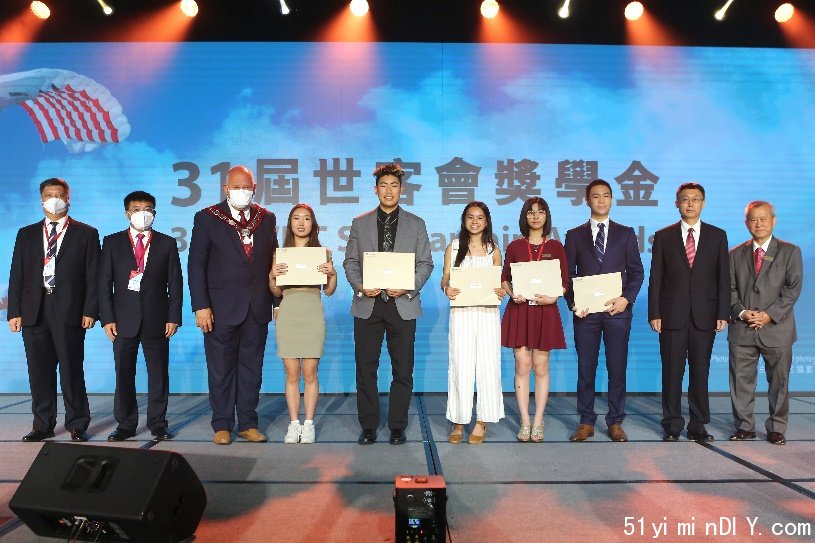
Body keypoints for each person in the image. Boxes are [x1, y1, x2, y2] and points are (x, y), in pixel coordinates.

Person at [343, 162, 434, 445]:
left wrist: (407, 285)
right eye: (383, 185)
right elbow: (351, 261)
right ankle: (368, 425)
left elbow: (425, 263)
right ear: (375, 189)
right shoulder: (360, 222)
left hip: (402, 302)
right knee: (366, 368)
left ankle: (397, 425)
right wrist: (360, 286)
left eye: (394, 185)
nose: (389, 190)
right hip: (368, 303)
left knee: (402, 369)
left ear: (402, 189)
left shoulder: (416, 223)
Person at [188, 165, 278, 445]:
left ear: (255, 188)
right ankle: (222, 424)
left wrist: (276, 300)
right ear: (226, 189)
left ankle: (248, 423)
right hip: (220, 307)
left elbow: (272, 261)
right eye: (236, 187)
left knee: (252, 369)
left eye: (246, 186)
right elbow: (196, 265)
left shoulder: (266, 218)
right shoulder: (207, 218)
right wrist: (200, 305)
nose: (242, 191)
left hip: (257, 306)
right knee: (221, 368)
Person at [7, 177, 98, 442]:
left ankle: (77, 424)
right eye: (49, 194)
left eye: (60, 194)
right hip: (34, 309)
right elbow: (17, 275)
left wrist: (91, 310)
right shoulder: (26, 233)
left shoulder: (86, 233)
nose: (54, 199)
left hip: (70, 309)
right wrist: (15, 311)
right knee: (39, 370)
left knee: (71, 369)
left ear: (68, 198)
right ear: (41, 199)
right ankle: (42, 424)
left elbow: (93, 275)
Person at [98, 191, 182, 442]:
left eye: (148, 209)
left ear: (154, 213)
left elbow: (175, 283)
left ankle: (158, 422)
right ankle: (125, 424)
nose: (142, 214)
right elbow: (104, 283)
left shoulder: (167, 243)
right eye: (137, 209)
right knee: (124, 373)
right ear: (127, 214)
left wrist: (173, 316)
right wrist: (107, 318)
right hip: (122, 320)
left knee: (158, 373)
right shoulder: (112, 242)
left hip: (157, 319)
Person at [648, 182, 729, 443]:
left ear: (703, 203)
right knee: (672, 371)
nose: (690, 203)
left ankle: (697, 424)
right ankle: (672, 425)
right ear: (677, 204)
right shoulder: (663, 236)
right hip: (671, 315)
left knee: (700, 372)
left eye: (696, 199)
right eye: (685, 199)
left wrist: (722, 312)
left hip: (705, 315)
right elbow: (656, 278)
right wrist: (654, 313)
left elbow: (722, 278)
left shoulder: (718, 236)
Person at [564, 179, 644, 442]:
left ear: (612, 200)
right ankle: (586, 420)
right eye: (595, 196)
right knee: (586, 367)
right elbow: (567, 276)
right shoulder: (574, 235)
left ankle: (615, 420)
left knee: (616, 367)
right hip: (586, 314)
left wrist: (626, 299)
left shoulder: (626, 233)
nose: (601, 200)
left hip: (617, 313)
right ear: (587, 200)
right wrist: (573, 303)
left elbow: (637, 272)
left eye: (606, 196)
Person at [728, 201, 802, 445]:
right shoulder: (735, 254)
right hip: (743, 328)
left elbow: (792, 289)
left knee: (779, 383)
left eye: (763, 219)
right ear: (746, 222)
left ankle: (776, 428)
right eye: (753, 219)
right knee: (740, 381)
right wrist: (741, 312)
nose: (758, 224)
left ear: (773, 220)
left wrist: (769, 314)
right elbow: (729, 289)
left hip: (777, 329)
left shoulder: (790, 251)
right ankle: (744, 426)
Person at [501, 197, 568, 443]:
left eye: (540, 212)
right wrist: (511, 293)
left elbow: (565, 282)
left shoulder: (557, 247)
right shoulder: (515, 246)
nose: (536, 216)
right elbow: (505, 277)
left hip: (545, 312)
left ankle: (538, 421)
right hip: (520, 311)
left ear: (546, 216)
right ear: (524, 217)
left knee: (541, 366)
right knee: (522, 365)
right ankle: (525, 421)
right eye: (531, 212)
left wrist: (553, 297)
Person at [270, 204, 337, 444]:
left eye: (306, 218)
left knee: (310, 372)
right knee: (291, 372)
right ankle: (293, 424)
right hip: (288, 312)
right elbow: (276, 289)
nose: (301, 223)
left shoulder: (323, 252)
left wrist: (332, 273)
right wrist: (272, 274)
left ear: (313, 224)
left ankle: (308, 424)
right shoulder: (281, 253)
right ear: (290, 224)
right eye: (296, 218)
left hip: (312, 312)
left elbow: (329, 291)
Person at [441, 202, 506, 445]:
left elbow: (500, 283)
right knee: (461, 364)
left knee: (488, 365)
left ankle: (483, 420)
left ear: (487, 221)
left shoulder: (494, 250)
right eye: (470, 217)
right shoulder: (453, 247)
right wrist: (447, 288)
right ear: (464, 220)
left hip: (488, 314)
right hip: (462, 313)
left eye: (480, 217)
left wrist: (501, 291)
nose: (475, 221)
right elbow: (444, 280)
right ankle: (459, 420)